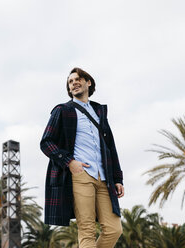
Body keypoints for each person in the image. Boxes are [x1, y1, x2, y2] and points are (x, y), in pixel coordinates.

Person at [40, 67, 124, 248]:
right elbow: (46, 142)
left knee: (114, 229)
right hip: (80, 176)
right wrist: (69, 162)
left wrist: (118, 178)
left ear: (89, 82)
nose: (74, 83)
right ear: (69, 89)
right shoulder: (63, 110)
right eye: (70, 82)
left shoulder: (99, 112)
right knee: (87, 230)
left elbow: (111, 147)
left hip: (104, 178)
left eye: (78, 79)